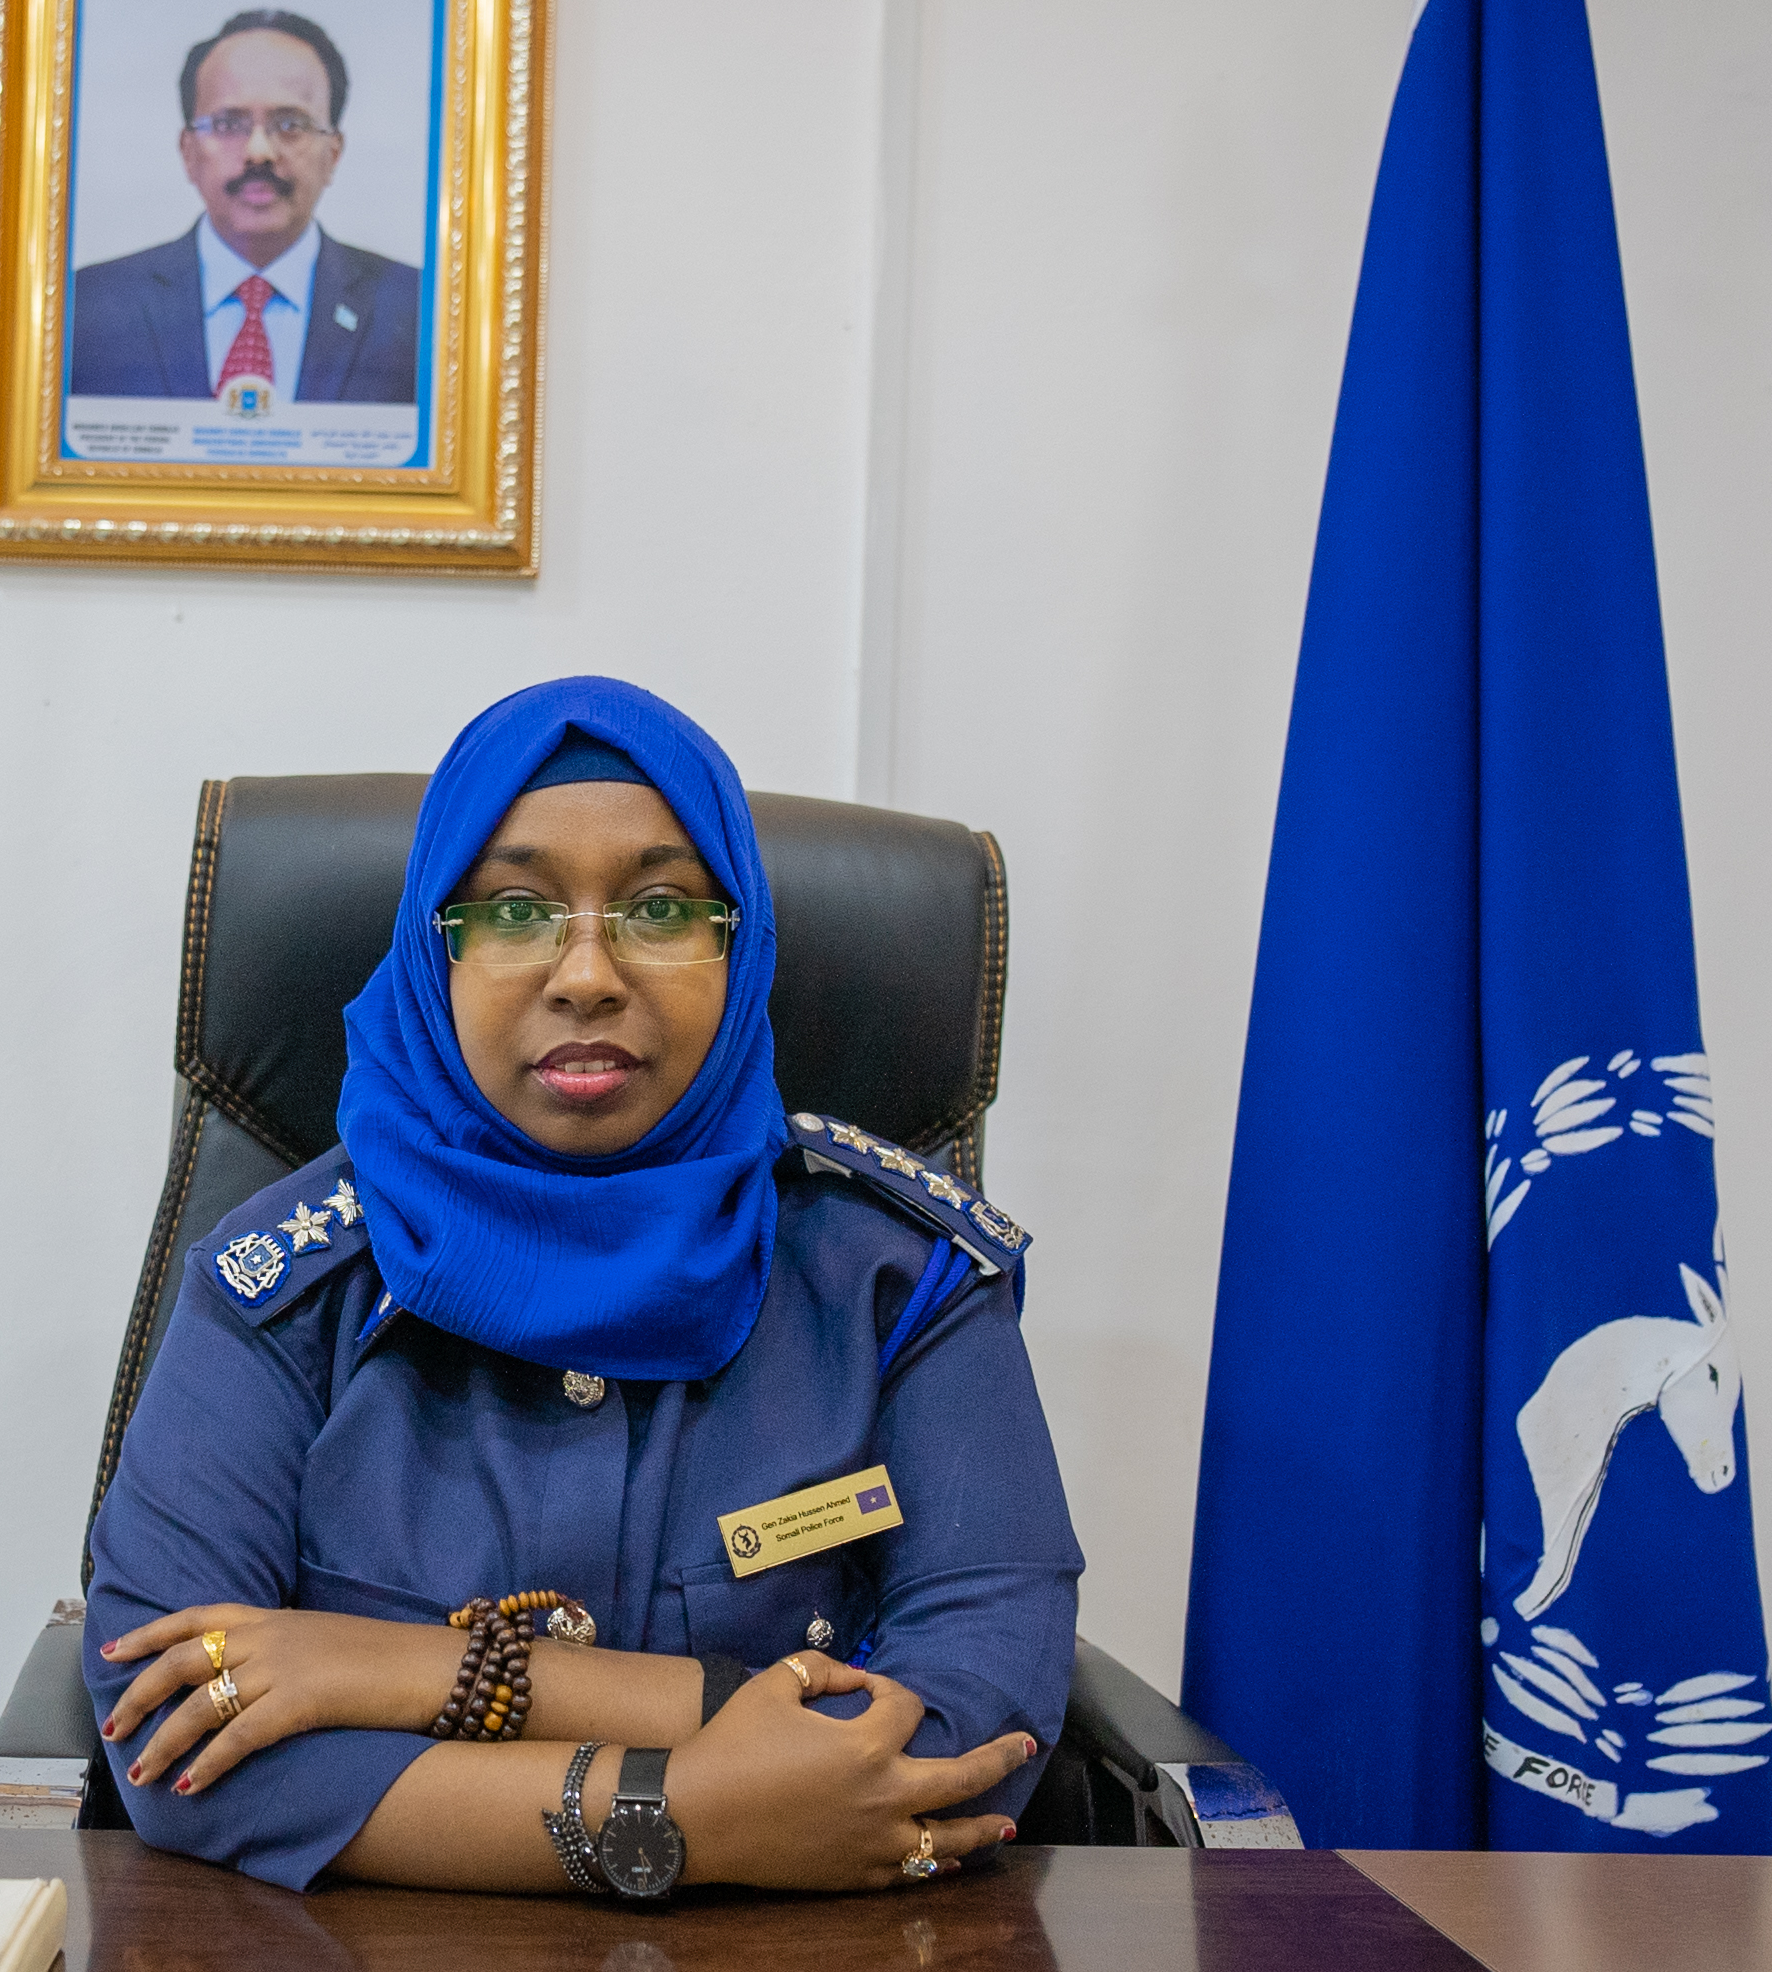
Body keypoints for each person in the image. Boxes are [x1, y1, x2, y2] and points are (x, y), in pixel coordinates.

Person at [83, 677, 1081, 1896]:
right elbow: (171, 1733)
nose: (589, 972)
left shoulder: (901, 1281)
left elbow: (969, 1738)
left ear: (743, 942)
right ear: (430, 951)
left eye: (663, 907)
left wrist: (408, 1673)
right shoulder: (286, 1283)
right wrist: (688, 1812)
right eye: (514, 909)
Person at [62, 8, 424, 409]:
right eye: (228, 124)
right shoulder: (87, 308)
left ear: (334, 154)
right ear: (188, 152)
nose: (258, 152)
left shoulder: (418, 310)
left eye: (290, 125)